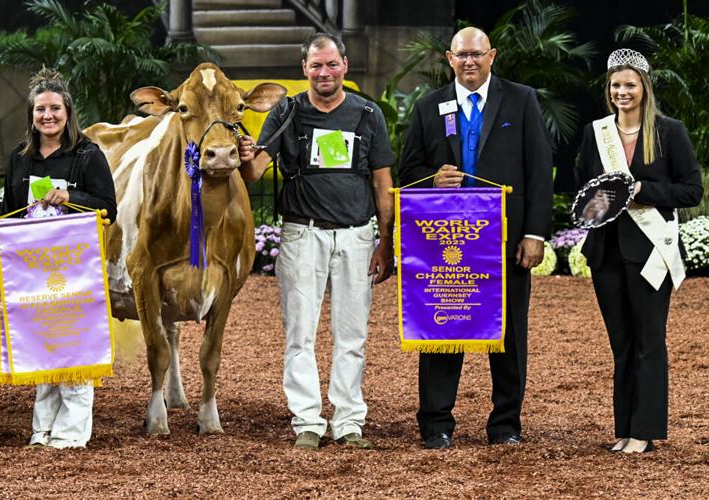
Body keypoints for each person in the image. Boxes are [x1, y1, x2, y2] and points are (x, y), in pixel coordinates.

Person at [237, 32, 395, 450]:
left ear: (345, 64)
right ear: (303, 69)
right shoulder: (286, 112)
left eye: (331, 64)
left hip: (357, 235)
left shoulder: (367, 114)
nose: (324, 72)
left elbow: (382, 182)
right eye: (315, 65)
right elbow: (254, 174)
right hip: (302, 233)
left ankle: (348, 421)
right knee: (299, 333)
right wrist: (244, 154)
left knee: (352, 334)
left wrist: (385, 242)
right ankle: (307, 420)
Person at [399, 27, 553, 449]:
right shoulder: (429, 106)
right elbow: (407, 171)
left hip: (505, 240)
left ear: (493, 56)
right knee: (443, 328)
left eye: (477, 54)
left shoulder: (521, 100)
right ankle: (436, 424)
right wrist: (432, 181)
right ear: (449, 58)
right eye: (462, 55)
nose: (470, 62)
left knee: (509, 334)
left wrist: (535, 234)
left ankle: (505, 424)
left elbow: (540, 172)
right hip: (446, 244)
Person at [575, 49, 702, 454]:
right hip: (607, 250)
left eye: (629, 84)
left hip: (651, 250)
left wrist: (645, 191)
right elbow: (582, 188)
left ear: (644, 88)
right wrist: (602, 200)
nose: (622, 92)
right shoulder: (597, 133)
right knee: (621, 342)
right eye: (615, 85)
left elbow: (691, 189)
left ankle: (644, 431)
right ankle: (625, 427)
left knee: (649, 340)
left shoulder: (669, 131)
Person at [1, 69, 116, 449]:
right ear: (31, 115)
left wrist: (72, 197)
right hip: (34, 272)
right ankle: (43, 429)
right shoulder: (19, 159)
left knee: (74, 345)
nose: (47, 116)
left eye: (54, 108)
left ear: (67, 110)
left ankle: (71, 432)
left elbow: (108, 207)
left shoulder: (88, 154)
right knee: (42, 347)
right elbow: (10, 212)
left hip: (76, 270)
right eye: (39, 109)